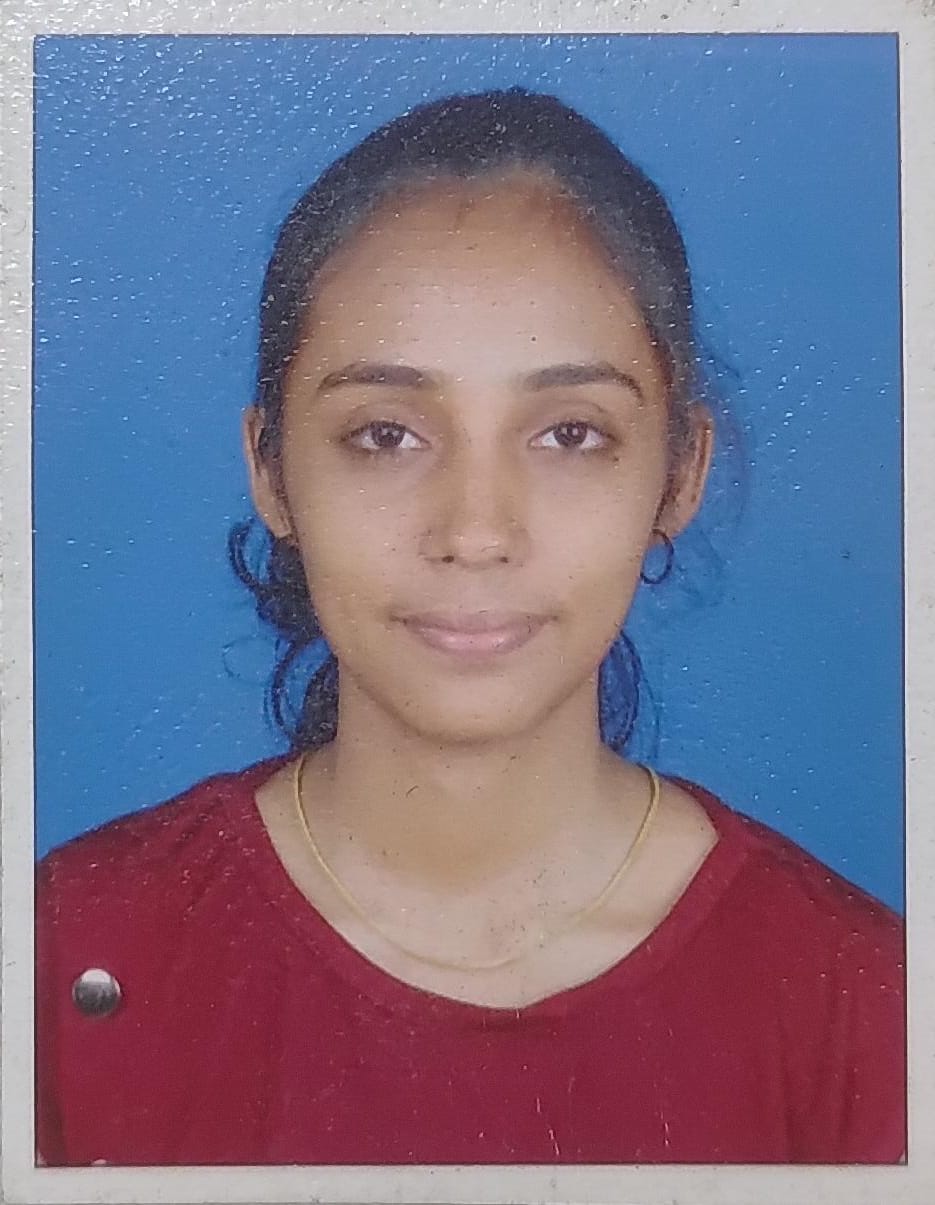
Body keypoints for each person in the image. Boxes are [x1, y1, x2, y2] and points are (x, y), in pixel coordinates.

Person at [35, 87, 905, 1167]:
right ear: (270, 469)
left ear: (678, 472)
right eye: (385, 434)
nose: (476, 531)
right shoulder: (69, 954)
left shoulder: (862, 1009)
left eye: (570, 433)